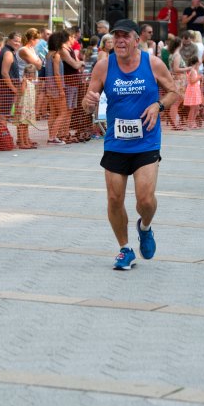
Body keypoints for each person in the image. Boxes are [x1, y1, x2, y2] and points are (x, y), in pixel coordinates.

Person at [82, 19, 179, 270]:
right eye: (117, 36)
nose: (120, 41)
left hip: (146, 141)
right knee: (115, 199)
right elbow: (88, 103)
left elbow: (174, 91)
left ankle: (145, 227)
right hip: (116, 142)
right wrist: (88, 103)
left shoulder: (153, 63)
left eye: (125, 36)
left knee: (145, 200)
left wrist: (158, 106)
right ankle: (125, 249)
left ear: (137, 40)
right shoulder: (104, 66)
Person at [45, 30, 72, 145]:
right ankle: (52, 137)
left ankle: (51, 136)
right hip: (56, 88)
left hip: (49, 88)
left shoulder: (48, 54)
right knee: (62, 113)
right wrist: (61, 90)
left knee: (53, 113)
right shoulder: (56, 55)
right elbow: (57, 74)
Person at [181, 44, 202, 129]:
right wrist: (199, 78)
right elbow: (192, 81)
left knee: (196, 107)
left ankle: (192, 122)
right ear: (196, 62)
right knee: (193, 108)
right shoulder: (192, 71)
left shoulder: (192, 70)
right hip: (193, 90)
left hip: (194, 89)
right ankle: (190, 123)